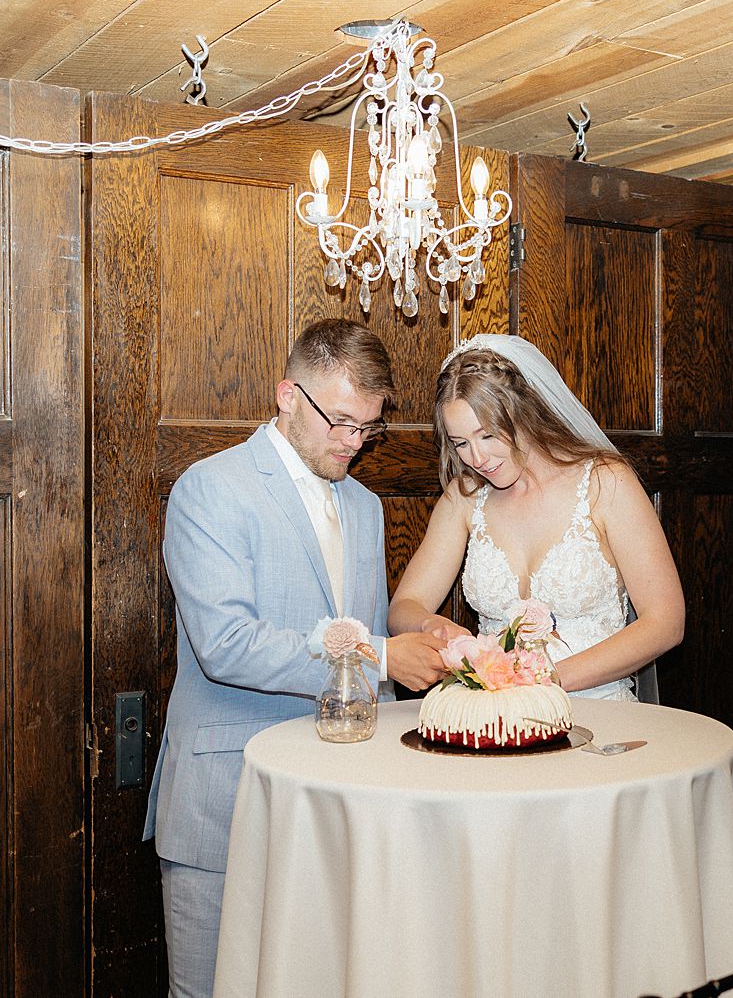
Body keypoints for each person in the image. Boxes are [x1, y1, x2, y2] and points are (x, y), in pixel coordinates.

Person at [143, 319, 446, 998]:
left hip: (341, 802)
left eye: (367, 428)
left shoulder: (366, 508)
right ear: (287, 394)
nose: (353, 442)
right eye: (340, 420)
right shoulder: (210, 488)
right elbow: (226, 644)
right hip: (228, 797)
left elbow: (368, 643)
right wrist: (382, 659)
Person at [388, 334, 683, 699]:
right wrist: (428, 623)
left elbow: (666, 623)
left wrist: (546, 680)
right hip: (499, 717)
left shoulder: (605, 482)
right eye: (461, 443)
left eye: (489, 435)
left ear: (525, 412)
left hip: (599, 710)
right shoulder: (464, 498)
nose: (477, 458)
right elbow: (403, 607)